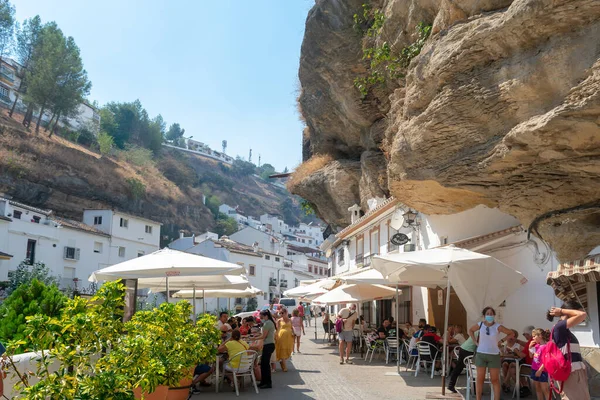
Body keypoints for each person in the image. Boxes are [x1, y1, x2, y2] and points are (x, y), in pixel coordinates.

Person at [468, 306, 515, 400]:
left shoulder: (498, 326)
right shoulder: (480, 324)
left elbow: (511, 333)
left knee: (495, 379)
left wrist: (502, 341)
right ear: (484, 315)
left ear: (494, 315)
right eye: (487, 314)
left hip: (494, 355)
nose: (490, 315)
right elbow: (471, 330)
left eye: (491, 314)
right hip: (481, 353)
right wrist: (474, 341)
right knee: (480, 379)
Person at [546, 300, 589, 400]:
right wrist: (562, 311)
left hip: (574, 372)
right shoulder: (559, 327)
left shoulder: (562, 329)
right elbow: (582, 315)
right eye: (576, 312)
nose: (582, 320)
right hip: (571, 373)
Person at [500, 329, 527, 394]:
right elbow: (502, 356)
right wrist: (511, 355)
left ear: (516, 337)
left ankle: (505, 383)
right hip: (506, 361)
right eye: (509, 336)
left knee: (511, 365)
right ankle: (507, 384)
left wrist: (509, 355)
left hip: (516, 362)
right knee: (504, 364)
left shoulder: (518, 345)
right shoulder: (504, 345)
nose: (511, 338)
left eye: (513, 336)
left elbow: (519, 356)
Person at [529, 328, 550, 400]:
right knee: (537, 388)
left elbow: (546, 360)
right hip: (534, 369)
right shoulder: (537, 346)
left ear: (540, 336)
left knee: (545, 389)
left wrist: (540, 370)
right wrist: (530, 347)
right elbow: (531, 356)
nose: (533, 338)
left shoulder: (546, 347)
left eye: (534, 336)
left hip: (543, 370)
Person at [258, 310, 276, 389]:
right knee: (263, 364)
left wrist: (252, 338)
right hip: (268, 345)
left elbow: (263, 336)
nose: (260, 318)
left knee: (265, 365)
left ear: (265, 315)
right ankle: (263, 382)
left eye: (261, 316)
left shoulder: (267, 323)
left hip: (268, 345)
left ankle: (267, 383)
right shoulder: (268, 323)